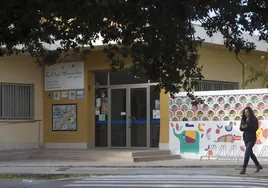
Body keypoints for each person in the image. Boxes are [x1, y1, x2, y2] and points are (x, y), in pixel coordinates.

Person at [239, 106, 263, 175]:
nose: (246, 113)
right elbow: (241, 128)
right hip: (246, 138)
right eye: (245, 112)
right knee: (250, 153)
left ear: (250, 112)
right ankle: (258, 165)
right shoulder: (244, 119)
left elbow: (255, 128)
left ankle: (244, 168)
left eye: (247, 112)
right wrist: (244, 127)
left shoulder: (254, 119)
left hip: (252, 139)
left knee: (247, 152)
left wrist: (246, 127)